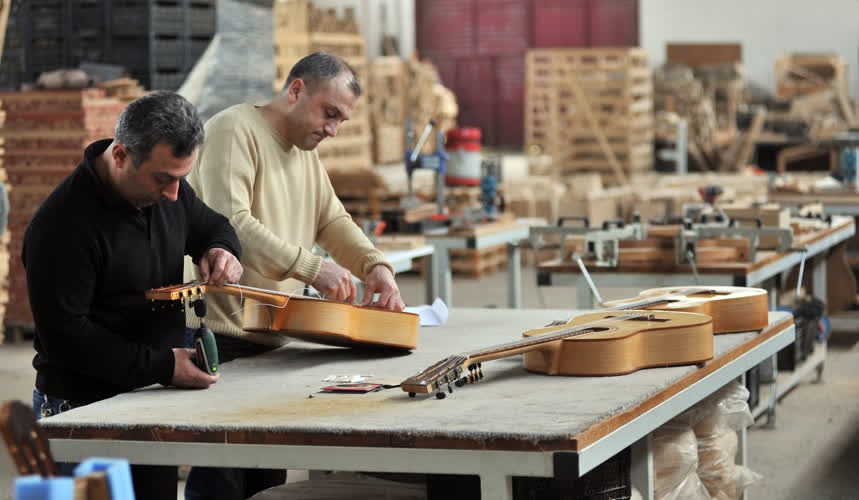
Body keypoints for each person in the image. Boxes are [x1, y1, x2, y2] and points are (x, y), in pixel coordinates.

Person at [182, 51, 406, 499]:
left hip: (275, 334)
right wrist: (312, 268)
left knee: (266, 481)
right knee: (222, 477)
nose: (333, 129)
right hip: (222, 335)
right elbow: (231, 225)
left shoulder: (304, 152)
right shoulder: (234, 130)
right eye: (329, 113)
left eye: (341, 120)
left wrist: (375, 266)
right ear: (296, 90)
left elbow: (332, 220)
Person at [23, 91, 244, 499]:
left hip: (149, 399)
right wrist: (164, 365)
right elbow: (66, 338)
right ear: (121, 155)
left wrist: (221, 250)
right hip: (83, 415)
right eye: (163, 179)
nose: (174, 192)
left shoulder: (169, 192)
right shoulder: (62, 226)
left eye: (181, 178)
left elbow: (212, 225)